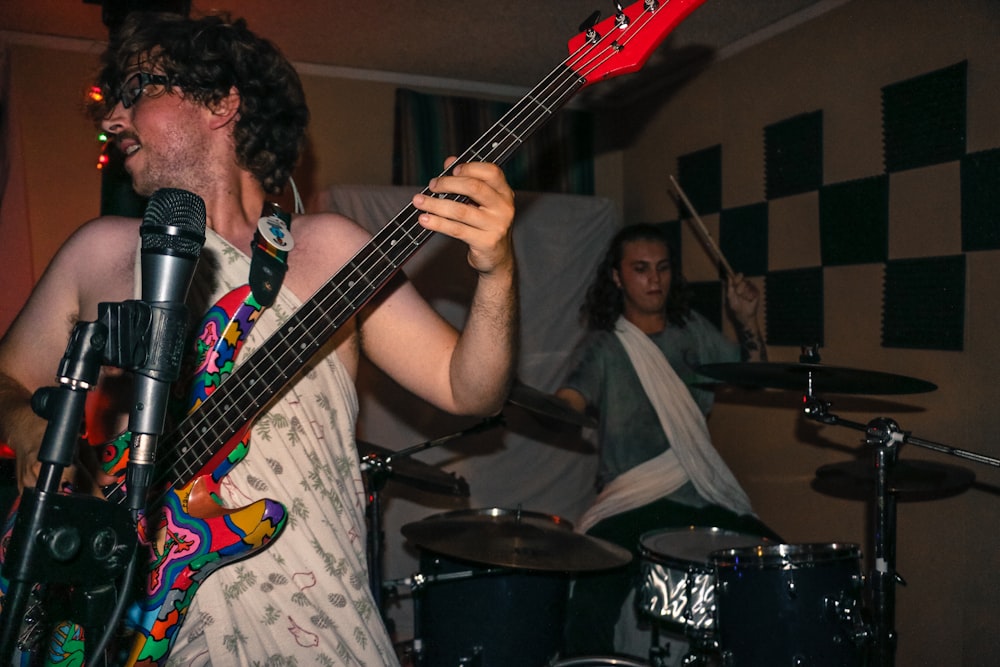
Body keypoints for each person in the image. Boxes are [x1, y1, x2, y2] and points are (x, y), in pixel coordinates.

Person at [0, 11, 516, 666]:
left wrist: (497, 271)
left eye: (138, 91)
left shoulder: (329, 249)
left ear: (221, 102)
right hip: (132, 626)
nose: (113, 119)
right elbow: (6, 377)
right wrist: (24, 424)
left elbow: (468, 387)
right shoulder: (98, 250)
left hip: (323, 622)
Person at [557, 223, 780, 661]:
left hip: (704, 493)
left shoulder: (693, 330)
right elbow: (570, 400)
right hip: (630, 501)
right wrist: (555, 406)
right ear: (617, 278)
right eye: (640, 269)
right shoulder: (603, 346)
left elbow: (754, 376)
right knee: (591, 600)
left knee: (777, 567)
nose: (654, 279)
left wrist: (746, 319)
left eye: (661, 268)